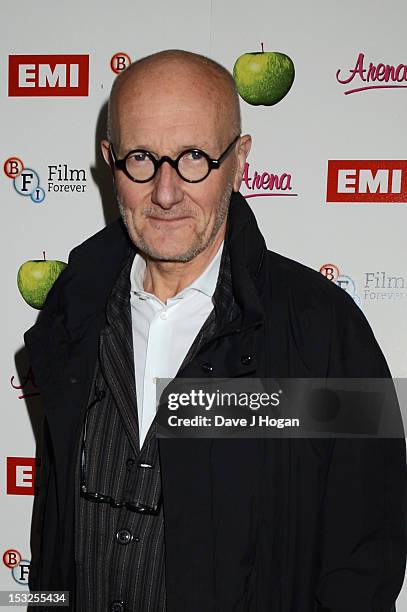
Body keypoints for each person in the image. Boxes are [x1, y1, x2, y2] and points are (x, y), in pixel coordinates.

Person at [24, 49, 406, 612]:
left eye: (195, 157)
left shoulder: (326, 333)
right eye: (141, 158)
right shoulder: (70, 311)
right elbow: (55, 530)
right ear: (110, 160)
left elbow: (366, 556)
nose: (166, 191)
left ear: (240, 159)